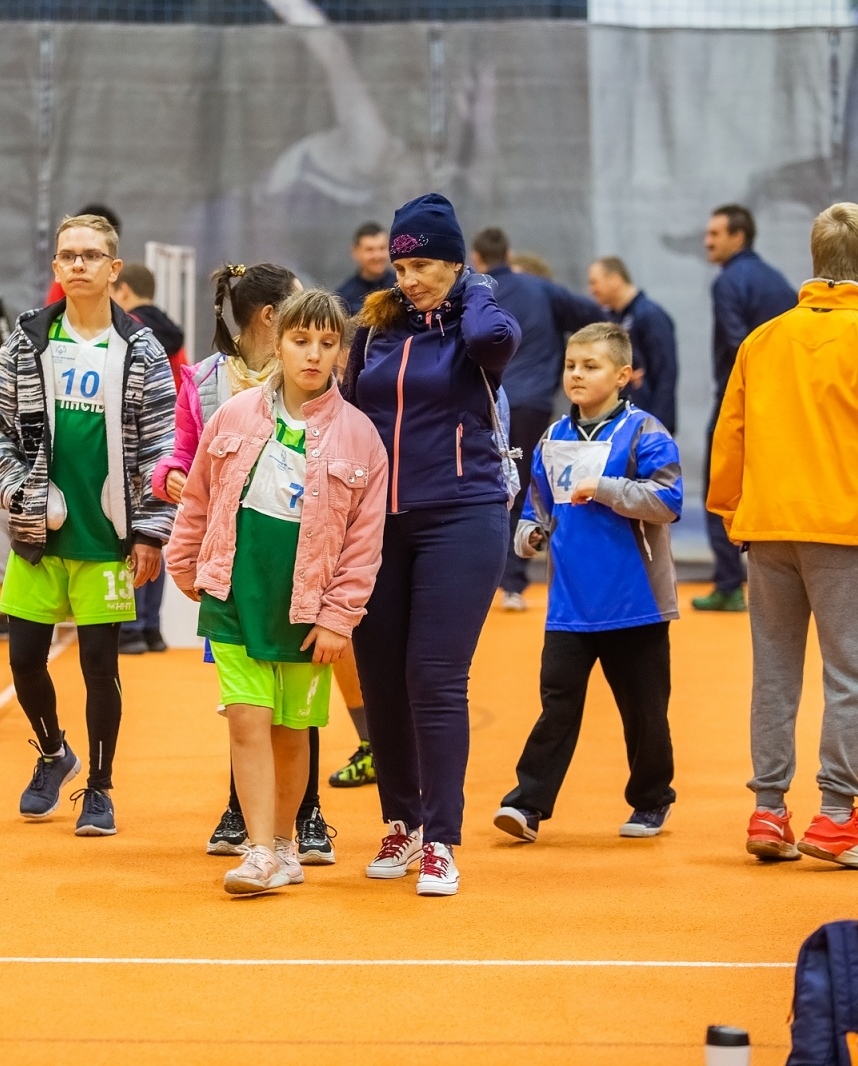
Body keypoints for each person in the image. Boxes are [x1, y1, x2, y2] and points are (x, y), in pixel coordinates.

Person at [711, 203, 858, 872]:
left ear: (813, 261)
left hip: (769, 529)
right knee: (854, 678)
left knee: (775, 674)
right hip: (849, 530)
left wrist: (731, 508)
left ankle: (769, 809)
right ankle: (837, 816)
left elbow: (732, 434)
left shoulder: (764, 340)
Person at [168, 288, 388, 894]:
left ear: (341, 351)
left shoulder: (361, 437)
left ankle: (287, 844)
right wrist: (187, 565)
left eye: (326, 343)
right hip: (237, 592)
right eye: (300, 341)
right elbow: (199, 499)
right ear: (278, 343)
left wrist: (340, 617)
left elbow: (364, 542)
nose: (312, 355)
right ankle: (259, 850)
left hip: (307, 607)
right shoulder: (235, 415)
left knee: (291, 730)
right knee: (245, 719)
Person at [0, 213, 176, 837]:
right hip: (39, 536)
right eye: (69, 256)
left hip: (107, 537)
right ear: (57, 269)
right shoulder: (28, 341)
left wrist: (149, 530)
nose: (79, 264)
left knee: (99, 667)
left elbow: (161, 448)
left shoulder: (141, 350)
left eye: (92, 255)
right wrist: (16, 491)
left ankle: (100, 788)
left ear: (114, 270)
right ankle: (54, 753)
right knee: (24, 661)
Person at [343, 193, 520, 897]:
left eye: (424, 264)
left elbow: (491, 344)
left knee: (434, 678)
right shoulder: (374, 330)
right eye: (401, 264)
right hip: (377, 525)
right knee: (381, 678)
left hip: (462, 516)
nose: (409, 278)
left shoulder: (482, 322)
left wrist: (468, 287)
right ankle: (401, 821)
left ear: (456, 261)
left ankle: (443, 839)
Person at [151, 263, 349, 859]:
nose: (311, 345)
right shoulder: (207, 381)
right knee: (246, 708)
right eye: (295, 322)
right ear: (273, 318)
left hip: (303, 575)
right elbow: (181, 453)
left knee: (294, 710)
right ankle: (241, 813)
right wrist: (172, 478)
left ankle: (306, 815)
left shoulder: (326, 392)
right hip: (233, 573)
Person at [495, 322, 682, 842]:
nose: (577, 375)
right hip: (569, 605)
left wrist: (606, 488)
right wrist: (530, 535)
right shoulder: (552, 437)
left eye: (591, 366)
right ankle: (526, 805)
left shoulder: (646, 432)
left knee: (644, 712)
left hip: (635, 602)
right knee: (558, 705)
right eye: (571, 366)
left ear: (622, 376)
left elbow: (668, 501)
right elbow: (538, 507)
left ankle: (651, 800)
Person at [469, 226, 605, 614]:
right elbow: (592, 314)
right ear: (508, 253)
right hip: (532, 405)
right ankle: (512, 582)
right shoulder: (540, 289)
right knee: (524, 484)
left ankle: (484, 578)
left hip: (486, 404)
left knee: (484, 485)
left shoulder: (477, 295)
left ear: (477, 258)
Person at [697, 204, 797, 612]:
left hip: (739, 401)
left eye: (715, 234)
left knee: (719, 487)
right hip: (781, 404)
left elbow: (740, 346)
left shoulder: (728, 282)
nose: (708, 241)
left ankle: (728, 584)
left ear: (738, 236)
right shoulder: (779, 282)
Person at [113, 263, 187, 657]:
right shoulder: (173, 332)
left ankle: (128, 626)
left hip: (131, 441)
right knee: (155, 532)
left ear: (122, 290)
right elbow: (182, 383)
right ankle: (152, 626)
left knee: (128, 532)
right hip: (167, 439)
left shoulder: (127, 330)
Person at [588, 256, 679, 434]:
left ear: (614, 280)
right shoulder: (612, 318)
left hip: (648, 420)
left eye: (594, 283)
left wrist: (656, 425)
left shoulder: (650, 315)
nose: (591, 290)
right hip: (623, 422)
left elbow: (666, 374)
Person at [335, 222, 395, 314]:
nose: (377, 256)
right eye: (370, 250)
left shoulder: (402, 287)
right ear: (355, 252)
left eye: (382, 248)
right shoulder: (343, 298)